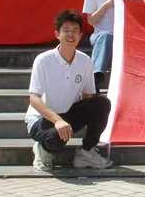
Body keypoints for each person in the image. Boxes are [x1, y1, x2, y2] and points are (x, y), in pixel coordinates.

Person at [27, 9, 112, 172]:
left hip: (68, 113)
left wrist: (92, 116)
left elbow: (87, 96)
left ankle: (86, 152)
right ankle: (42, 149)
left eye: (75, 31)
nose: (70, 35)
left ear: (80, 36)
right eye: (66, 30)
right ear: (57, 34)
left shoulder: (85, 61)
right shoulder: (43, 60)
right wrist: (57, 120)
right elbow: (34, 99)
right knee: (56, 137)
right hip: (42, 118)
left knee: (101, 102)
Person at [82, 0, 136, 91]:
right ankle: (96, 77)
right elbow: (91, 21)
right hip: (100, 35)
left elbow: (133, 16)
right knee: (106, 36)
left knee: (119, 41)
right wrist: (105, 6)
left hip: (123, 35)